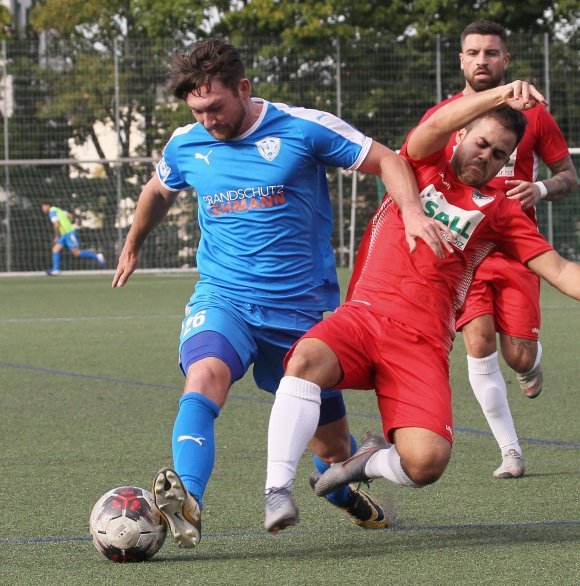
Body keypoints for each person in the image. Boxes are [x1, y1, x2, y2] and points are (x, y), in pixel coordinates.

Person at [112, 38, 452, 548]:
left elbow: (389, 160)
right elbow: (159, 190)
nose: (208, 120)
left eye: (217, 107)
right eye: (198, 110)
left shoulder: (303, 128)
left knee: (333, 448)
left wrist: (411, 211)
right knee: (205, 376)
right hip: (223, 297)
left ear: (244, 88)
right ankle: (187, 500)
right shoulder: (186, 144)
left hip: (302, 314)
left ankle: (347, 493)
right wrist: (134, 243)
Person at [262, 80, 580, 534]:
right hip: (364, 317)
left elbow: (562, 270)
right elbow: (433, 125)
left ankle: (368, 461)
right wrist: (499, 95)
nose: (484, 157)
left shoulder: (502, 213)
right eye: (481, 142)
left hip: (422, 344)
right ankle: (278, 490)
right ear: (462, 136)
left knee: (426, 463)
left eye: (497, 154)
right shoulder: (420, 163)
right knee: (306, 357)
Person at [420, 20, 579, 479]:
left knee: (518, 356)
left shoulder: (533, 114)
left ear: (505, 61)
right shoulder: (445, 115)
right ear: (461, 60)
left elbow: (569, 175)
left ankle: (532, 364)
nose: (482, 60)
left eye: (492, 53)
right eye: (473, 52)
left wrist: (543, 189)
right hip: (464, 252)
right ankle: (511, 452)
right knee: (478, 342)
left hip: (515, 248)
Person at [40, 201, 105, 275]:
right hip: (65, 234)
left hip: (69, 233)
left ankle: (97, 256)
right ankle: (56, 269)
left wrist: (56, 236)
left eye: (43, 207)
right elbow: (70, 215)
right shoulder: (58, 210)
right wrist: (67, 223)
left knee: (76, 253)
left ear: (48, 205)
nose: (43, 209)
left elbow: (56, 224)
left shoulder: (52, 212)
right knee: (55, 249)